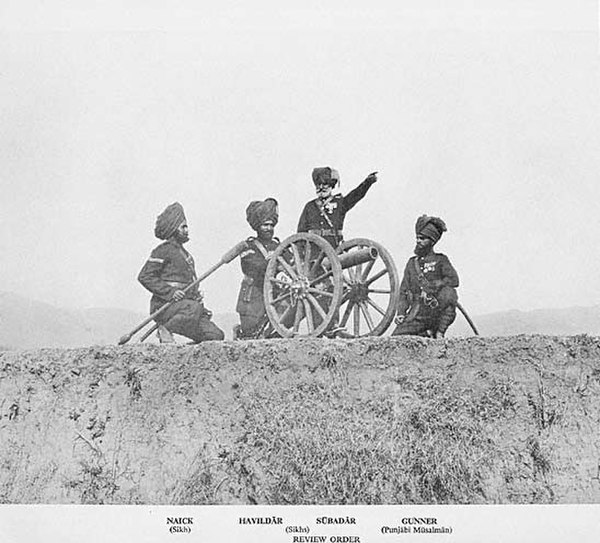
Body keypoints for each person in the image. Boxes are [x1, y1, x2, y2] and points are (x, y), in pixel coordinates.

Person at [137, 202, 224, 343]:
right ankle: (165, 329)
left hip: (187, 308)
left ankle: (185, 355)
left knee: (215, 336)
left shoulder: (185, 254)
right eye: (183, 227)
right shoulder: (163, 250)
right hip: (165, 307)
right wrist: (170, 292)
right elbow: (145, 276)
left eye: (186, 226)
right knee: (193, 309)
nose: (186, 230)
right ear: (173, 229)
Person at [392, 215, 459, 339]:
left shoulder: (441, 260)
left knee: (449, 293)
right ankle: (425, 333)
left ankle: (439, 333)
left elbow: (454, 280)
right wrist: (401, 313)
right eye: (417, 238)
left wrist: (433, 287)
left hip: (435, 312)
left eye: (422, 239)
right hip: (417, 313)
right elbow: (404, 291)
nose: (418, 241)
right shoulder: (412, 263)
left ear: (432, 241)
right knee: (396, 338)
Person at [297, 167, 378, 248]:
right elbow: (300, 233)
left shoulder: (340, 203)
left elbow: (356, 195)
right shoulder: (309, 206)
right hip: (314, 251)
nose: (321, 187)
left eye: (325, 184)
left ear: (331, 186)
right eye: (318, 185)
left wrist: (367, 183)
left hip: (334, 247)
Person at [234, 198, 280, 339]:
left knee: (275, 331)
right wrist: (278, 266)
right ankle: (240, 332)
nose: (269, 228)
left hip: (274, 294)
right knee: (250, 333)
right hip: (253, 296)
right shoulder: (249, 247)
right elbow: (253, 267)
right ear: (257, 226)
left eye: (271, 225)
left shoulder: (278, 245)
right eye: (265, 225)